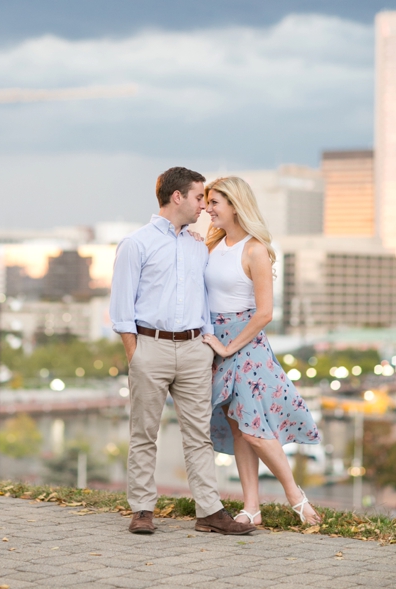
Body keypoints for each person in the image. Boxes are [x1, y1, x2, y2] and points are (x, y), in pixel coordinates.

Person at [109, 167, 255, 536]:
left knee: (198, 436)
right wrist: (136, 355)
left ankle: (209, 511)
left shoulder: (196, 245)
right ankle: (142, 509)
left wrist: (205, 346)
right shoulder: (135, 244)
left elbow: (203, 300)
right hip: (150, 347)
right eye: (198, 197)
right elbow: (121, 311)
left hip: (193, 350)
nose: (203, 205)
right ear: (178, 197)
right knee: (144, 433)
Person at [201, 176, 322, 525]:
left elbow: (265, 313)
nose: (208, 209)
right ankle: (251, 508)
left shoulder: (256, 250)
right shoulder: (211, 247)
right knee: (238, 426)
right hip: (217, 342)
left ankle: (295, 496)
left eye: (215, 203)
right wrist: (213, 344)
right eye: (207, 202)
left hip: (245, 345)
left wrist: (227, 347)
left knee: (253, 427)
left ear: (235, 205)